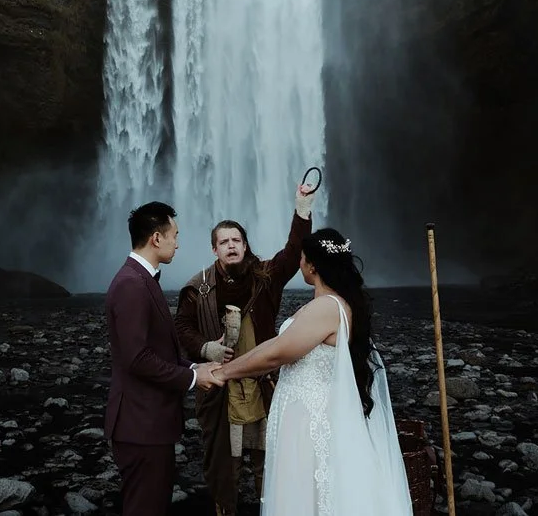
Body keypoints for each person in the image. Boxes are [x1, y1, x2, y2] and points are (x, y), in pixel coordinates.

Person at [209, 228, 413, 515]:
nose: (299, 264)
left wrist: (222, 374)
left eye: (302, 258)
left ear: (312, 265)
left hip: (311, 422)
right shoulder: (332, 304)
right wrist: (226, 367)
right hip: (310, 415)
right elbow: (277, 345)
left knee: (307, 496)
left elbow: (278, 353)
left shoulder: (327, 307)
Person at [174, 184, 315, 516]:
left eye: (236, 240)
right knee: (225, 467)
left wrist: (303, 208)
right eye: (224, 242)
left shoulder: (265, 276)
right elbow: (181, 327)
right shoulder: (197, 288)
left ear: (245, 245)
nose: (231, 245)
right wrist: (205, 348)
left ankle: (273, 509)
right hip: (220, 391)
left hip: (263, 385)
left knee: (269, 464)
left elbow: (294, 252)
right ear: (214, 250)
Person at [103, 201, 224, 516]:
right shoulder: (132, 284)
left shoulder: (142, 280)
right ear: (156, 238)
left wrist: (195, 365)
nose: (178, 242)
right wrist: (194, 379)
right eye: (175, 235)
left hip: (147, 424)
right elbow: (137, 359)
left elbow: (156, 352)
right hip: (140, 425)